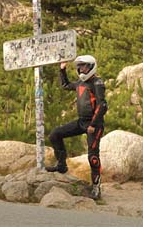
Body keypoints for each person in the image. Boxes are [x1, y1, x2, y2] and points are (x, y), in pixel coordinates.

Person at [46, 55, 107, 200]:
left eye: (84, 66)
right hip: (81, 122)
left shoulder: (97, 83)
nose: (81, 69)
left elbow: (102, 106)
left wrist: (93, 125)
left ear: (92, 67)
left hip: (94, 125)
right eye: (79, 67)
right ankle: (61, 165)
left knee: (92, 157)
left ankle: (96, 187)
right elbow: (65, 85)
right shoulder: (80, 82)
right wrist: (62, 69)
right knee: (55, 134)